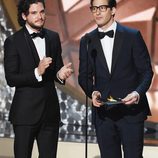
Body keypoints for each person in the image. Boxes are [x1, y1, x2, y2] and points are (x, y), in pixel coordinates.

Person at [78, 0, 153, 158]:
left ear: (113, 10)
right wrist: (93, 92)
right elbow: (84, 77)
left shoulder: (132, 36)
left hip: (131, 112)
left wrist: (137, 93)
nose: (97, 12)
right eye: (94, 8)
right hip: (104, 114)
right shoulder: (87, 41)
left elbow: (146, 72)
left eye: (102, 8)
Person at [4, 0, 73, 158]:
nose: (40, 16)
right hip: (25, 114)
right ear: (24, 15)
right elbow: (11, 78)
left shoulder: (53, 37)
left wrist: (60, 75)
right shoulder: (13, 42)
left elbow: (56, 70)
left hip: (50, 113)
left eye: (42, 12)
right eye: (34, 13)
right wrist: (37, 72)